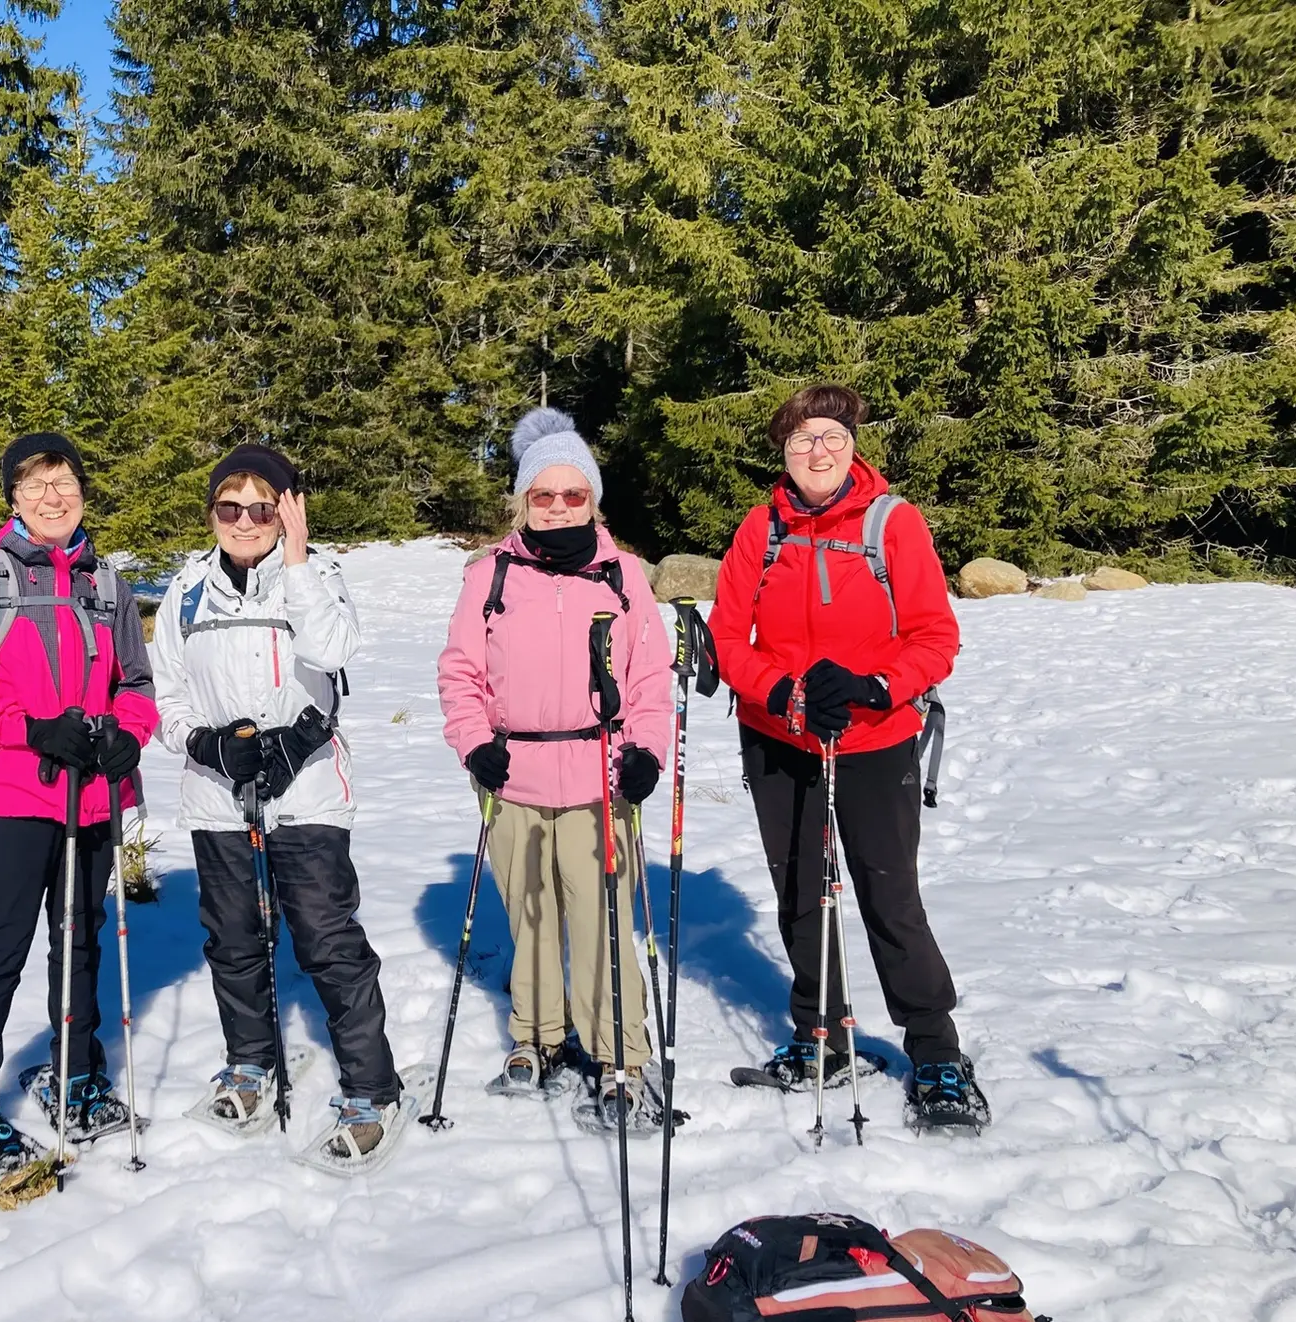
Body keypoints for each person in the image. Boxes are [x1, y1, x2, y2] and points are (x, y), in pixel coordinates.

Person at [707, 383, 980, 1128]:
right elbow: (729, 641)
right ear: (784, 454)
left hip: (872, 738)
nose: (817, 451)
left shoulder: (893, 524)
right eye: (801, 441)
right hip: (780, 736)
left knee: (888, 895)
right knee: (800, 891)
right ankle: (821, 1033)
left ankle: (935, 1050)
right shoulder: (759, 531)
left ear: (853, 442)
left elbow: (935, 637)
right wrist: (787, 691)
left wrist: (872, 684)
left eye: (828, 435)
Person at [150, 443, 405, 1167]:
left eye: (262, 506)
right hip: (219, 793)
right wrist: (202, 743)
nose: (244, 520)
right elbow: (163, 691)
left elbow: (331, 649)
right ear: (212, 514)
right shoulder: (187, 589)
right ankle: (250, 1064)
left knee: (325, 936)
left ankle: (371, 1087)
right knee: (233, 938)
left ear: (286, 509)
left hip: (308, 784)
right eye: (229, 507)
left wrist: (294, 558)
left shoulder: (316, 572)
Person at [0, 432, 157, 1191]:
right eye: (36, 486)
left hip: (91, 791)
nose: (54, 497)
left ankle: (74, 1067)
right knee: (1, 944)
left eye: (65, 482)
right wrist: (30, 729)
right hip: (12, 790)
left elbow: (136, 684)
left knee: (81, 937)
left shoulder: (107, 584)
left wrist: (128, 737)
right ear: (13, 499)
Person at [437, 408, 674, 1131]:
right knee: (530, 919)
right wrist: (475, 742)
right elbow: (460, 672)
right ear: (523, 501)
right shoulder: (491, 575)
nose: (560, 506)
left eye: (575, 495)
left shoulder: (625, 575)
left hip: (602, 780)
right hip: (514, 778)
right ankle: (535, 1039)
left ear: (594, 501)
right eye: (545, 495)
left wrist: (647, 752)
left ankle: (621, 1056)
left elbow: (650, 680)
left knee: (602, 923)